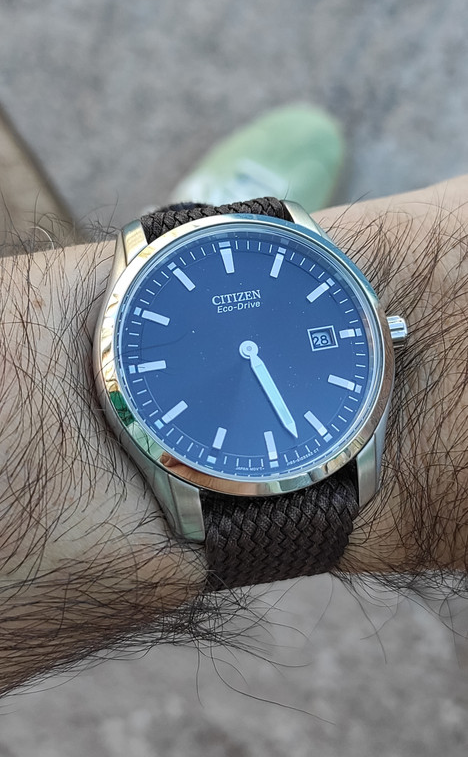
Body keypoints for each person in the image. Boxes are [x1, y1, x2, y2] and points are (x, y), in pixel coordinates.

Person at [0, 108, 467, 695]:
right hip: (204, 459)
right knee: (160, 282)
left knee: (205, 260)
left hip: (299, 437)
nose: (248, 348)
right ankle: (192, 239)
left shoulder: (362, 415)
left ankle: (199, 236)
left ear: (386, 329)